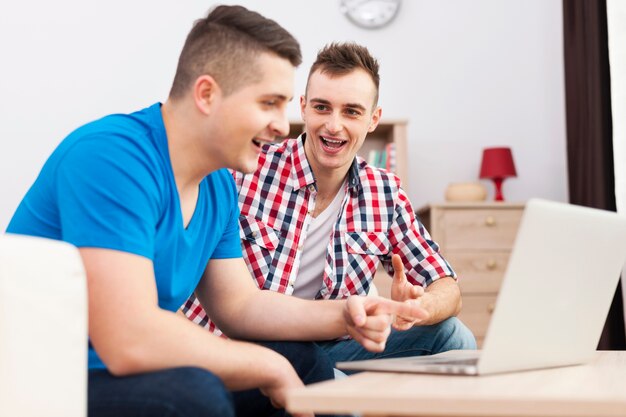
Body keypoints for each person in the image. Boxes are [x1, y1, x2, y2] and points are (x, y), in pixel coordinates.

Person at [5, 8, 427, 417]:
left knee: (303, 360)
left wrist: (345, 313)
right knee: (195, 394)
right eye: (269, 103)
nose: (283, 126)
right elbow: (128, 337)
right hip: (45, 375)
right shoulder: (112, 157)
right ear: (207, 94)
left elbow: (240, 306)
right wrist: (267, 367)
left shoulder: (217, 186)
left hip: (128, 371)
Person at [183, 42, 476, 365]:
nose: (334, 126)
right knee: (335, 393)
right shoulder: (244, 171)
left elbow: (446, 285)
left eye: (351, 111)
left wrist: (420, 306)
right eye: (322, 107)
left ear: (373, 119)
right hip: (237, 348)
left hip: (331, 348)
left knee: (454, 336)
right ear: (304, 108)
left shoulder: (384, 192)